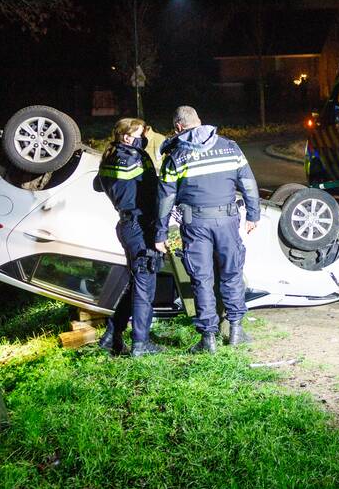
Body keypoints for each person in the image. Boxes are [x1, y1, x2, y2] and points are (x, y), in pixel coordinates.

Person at [154, 106, 261, 354]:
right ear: (199, 121)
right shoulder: (229, 146)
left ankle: (208, 339)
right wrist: (253, 215)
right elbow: (248, 182)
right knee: (232, 273)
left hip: (195, 225)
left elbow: (165, 200)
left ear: (178, 127)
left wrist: (160, 234)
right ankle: (235, 330)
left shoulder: (175, 157)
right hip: (227, 221)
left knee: (202, 279)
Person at [96, 118, 163, 357]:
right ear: (126, 137)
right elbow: (156, 189)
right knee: (145, 284)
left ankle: (110, 335)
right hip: (140, 226)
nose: (143, 138)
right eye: (140, 133)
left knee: (136, 282)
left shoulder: (108, 157)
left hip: (125, 225)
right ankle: (141, 343)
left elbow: (97, 185)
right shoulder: (137, 158)